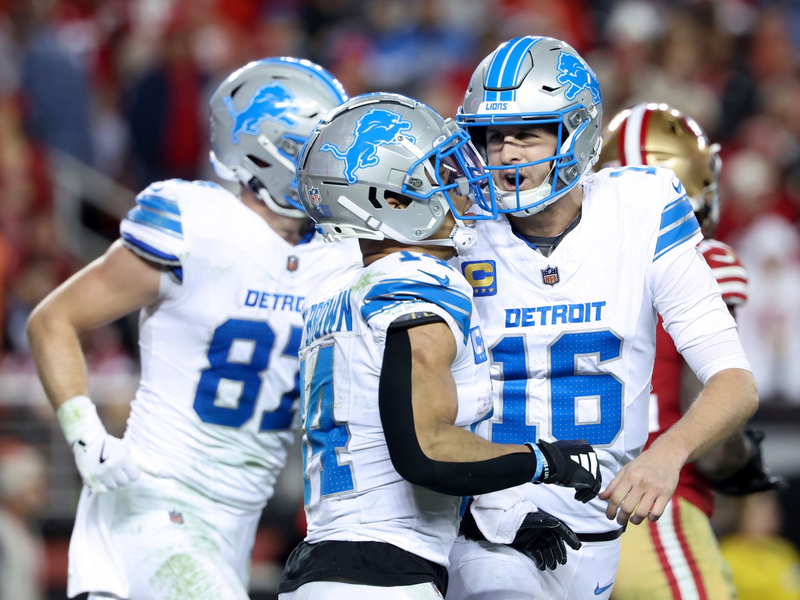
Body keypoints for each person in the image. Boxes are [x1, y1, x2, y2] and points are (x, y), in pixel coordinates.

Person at [26, 57, 356, 600]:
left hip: (235, 519)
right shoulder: (197, 225)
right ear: (265, 149)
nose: (334, 164)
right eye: (315, 148)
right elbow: (53, 319)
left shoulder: (337, 257)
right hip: (152, 500)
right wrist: (85, 432)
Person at [446, 36, 759, 599]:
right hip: (488, 523)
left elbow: (734, 383)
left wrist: (667, 455)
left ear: (578, 132)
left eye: (528, 132)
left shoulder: (639, 210)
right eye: (493, 137)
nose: (508, 153)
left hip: (602, 526)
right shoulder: (457, 235)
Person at [276, 92, 602, 600]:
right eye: (438, 174)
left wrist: (499, 516)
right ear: (391, 200)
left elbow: (380, 445)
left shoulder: (337, 291)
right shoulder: (418, 280)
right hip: (382, 577)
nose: (461, 184)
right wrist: (543, 460)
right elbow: (424, 449)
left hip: (326, 566)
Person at [600, 102, 785, 600]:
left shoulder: (575, 266)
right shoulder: (699, 259)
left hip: (559, 512)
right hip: (651, 503)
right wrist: (743, 460)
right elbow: (711, 425)